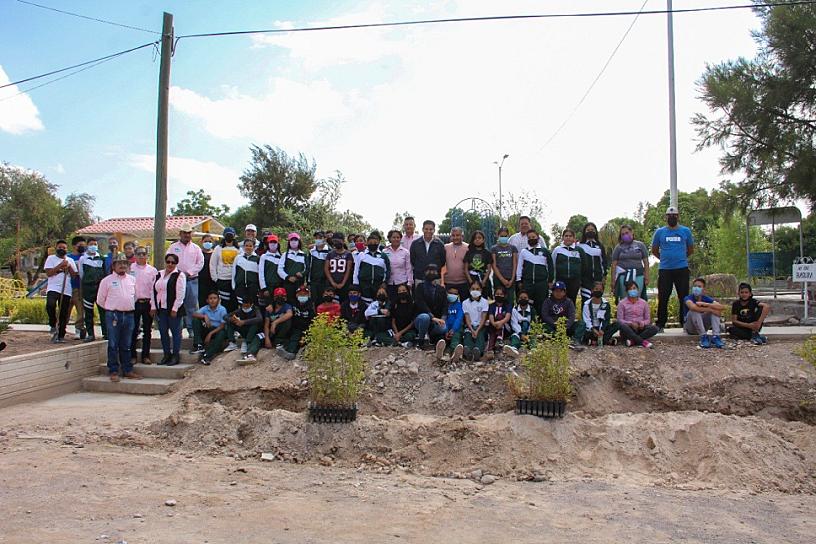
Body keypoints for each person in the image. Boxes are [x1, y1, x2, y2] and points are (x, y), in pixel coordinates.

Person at [96, 253, 139, 381]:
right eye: (119, 263)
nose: (122, 266)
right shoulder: (106, 281)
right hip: (113, 315)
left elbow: (135, 297)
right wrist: (112, 308)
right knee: (113, 344)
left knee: (126, 344)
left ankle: (127, 370)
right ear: (113, 266)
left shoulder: (132, 280)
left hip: (129, 315)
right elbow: (100, 300)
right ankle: (113, 371)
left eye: (125, 263)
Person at [652, 206, 694, 330]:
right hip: (665, 269)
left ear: (678, 216)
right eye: (669, 216)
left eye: (674, 215)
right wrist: (665, 258)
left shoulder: (685, 231)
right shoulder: (660, 232)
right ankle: (660, 324)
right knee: (663, 297)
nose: (672, 217)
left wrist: (680, 257)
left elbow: (690, 249)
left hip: (681, 268)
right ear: (666, 217)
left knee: (683, 297)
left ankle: (684, 322)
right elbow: (654, 250)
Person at [167, 225, 205, 340]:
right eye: (184, 232)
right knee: (175, 304)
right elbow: (168, 260)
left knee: (191, 306)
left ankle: (191, 330)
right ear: (180, 233)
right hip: (176, 280)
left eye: (189, 233)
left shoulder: (196, 248)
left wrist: (188, 272)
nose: (186, 235)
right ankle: (176, 330)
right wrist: (177, 273)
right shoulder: (173, 247)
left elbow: (200, 263)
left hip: (191, 280)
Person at [151, 252, 187, 366]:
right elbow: (153, 291)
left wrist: (175, 308)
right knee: (163, 332)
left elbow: (180, 294)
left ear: (176, 264)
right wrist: (153, 306)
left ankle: (175, 355)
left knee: (176, 333)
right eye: (168, 262)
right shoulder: (159, 274)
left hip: (173, 309)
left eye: (173, 262)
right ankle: (166, 354)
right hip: (161, 308)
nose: (170, 264)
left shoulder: (179, 275)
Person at [45, 240, 78, 343]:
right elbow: (49, 273)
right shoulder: (51, 259)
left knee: (63, 312)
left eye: (64, 248)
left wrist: (69, 266)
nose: (62, 249)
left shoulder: (70, 260)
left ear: (66, 249)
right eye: (60, 247)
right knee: (50, 304)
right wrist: (60, 265)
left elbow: (74, 276)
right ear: (56, 248)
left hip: (66, 289)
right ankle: (53, 323)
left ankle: (61, 335)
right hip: (53, 287)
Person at [130, 246, 157, 364]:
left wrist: (153, 306)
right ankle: (133, 356)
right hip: (134, 303)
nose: (141, 256)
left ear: (147, 256)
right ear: (135, 255)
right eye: (139, 254)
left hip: (147, 303)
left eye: (143, 254)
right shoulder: (130, 269)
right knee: (133, 330)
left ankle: (146, 355)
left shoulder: (152, 270)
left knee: (147, 331)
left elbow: (154, 289)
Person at [610, 224, 650, 302]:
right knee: (624, 299)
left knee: (637, 298)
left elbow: (646, 262)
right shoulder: (618, 247)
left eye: (627, 233)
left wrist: (647, 277)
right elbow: (614, 265)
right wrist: (613, 280)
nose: (625, 235)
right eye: (623, 234)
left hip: (638, 275)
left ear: (632, 232)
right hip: (623, 276)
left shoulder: (640, 245)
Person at [516, 229, 554, 311]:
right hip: (528, 283)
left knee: (542, 304)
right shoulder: (524, 252)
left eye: (533, 237)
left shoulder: (545, 251)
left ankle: (541, 322)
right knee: (529, 303)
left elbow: (550, 266)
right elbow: (519, 267)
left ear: (538, 237)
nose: (531, 239)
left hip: (542, 284)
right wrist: (519, 280)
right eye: (529, 237)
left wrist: (550, 280)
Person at [540, 281, 584, 350]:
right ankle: (560, 340)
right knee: (543, 326)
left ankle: (575, 341)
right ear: (552, 292)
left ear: (564, 292)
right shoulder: (547, 301)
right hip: (553, 326)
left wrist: (566, 326)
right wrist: (555, 324)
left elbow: (572, 316)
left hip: (566, 326)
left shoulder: (569, 302)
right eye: (556, 291)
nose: (558, 293)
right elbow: (545, 315)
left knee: (581, 324)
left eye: (560, 291)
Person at [683, 277, 725, 349]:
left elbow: (721, 307)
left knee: (715, 310)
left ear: (704, 289)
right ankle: (703, 337)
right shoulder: (688, 298)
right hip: (690, 328)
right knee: (694, 310)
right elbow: (692, 307)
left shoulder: (706, 298)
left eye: (699, 287)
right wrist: (710, 309)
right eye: (695, 286)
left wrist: (707, 305)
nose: (696, 288)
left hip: (703, 326)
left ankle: (716, 336)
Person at [413, 264, 448, 349]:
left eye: (433, 270)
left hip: (436, 321)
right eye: (429, 270)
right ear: (425, 272)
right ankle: (421, 341)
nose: (431, 272)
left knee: (443, 328)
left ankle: (432, 338)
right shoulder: (420, 287)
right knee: (425, 317)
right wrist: (432, 317)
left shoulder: (441, 289)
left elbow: (445, 305)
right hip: (422, 319)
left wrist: (443, 319)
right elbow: (421, 303)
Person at [78, 238, 106, 341]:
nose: (93, 246)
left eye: (95, 244)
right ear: (87, 246)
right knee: (88, 312)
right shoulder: (83, 259)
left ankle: (105, 333)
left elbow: (105, 273)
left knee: (103, 311)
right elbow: (81, 274)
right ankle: (90, 334)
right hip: (88, 288)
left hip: (100, 288)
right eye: (91, 244)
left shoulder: (102, 258)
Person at [617, 280, 658, 348]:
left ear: (638, 289)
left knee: (655, 328)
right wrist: (630, 323)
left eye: (634, 288)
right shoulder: (622, 303)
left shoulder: (644, 303)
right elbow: (620, 320)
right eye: (630, 289)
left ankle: (633, 341)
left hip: (640, 328)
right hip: (628, 329)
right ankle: (642, 342)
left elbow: (648, 319)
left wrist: (642, 323)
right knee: (623, 326)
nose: (632, 290)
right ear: (627, 291)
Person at [552, 228, 588, 304]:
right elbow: (552, 265)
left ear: (574, 238)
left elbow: (584, 266)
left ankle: (571, 315)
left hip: (574, 281)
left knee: (571, 301)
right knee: (560, 301)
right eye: (566, 236)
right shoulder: (557, 250)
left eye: (570, 236)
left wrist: (580, 279)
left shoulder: (579, 250)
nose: (568, 237)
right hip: (561, 280)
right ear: (563, 238)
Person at [191, 291, 228, 364]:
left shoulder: (222, 309)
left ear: (218, 300)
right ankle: (199, 345)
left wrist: (210, 334)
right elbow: (194, 314)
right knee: (195, 320)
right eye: (210, 298)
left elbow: (222, 325)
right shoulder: (205, 308)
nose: (213, 300)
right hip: (208, 328)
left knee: (222, 333)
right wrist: (204, 316)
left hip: (217, 330)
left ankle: (207, 356)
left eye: (215, 298)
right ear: (207, 300)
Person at [353, 231, 391, 303]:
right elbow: (356, 271)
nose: (373, 244)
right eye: (370, 243)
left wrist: (384, 283)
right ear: (367, 243)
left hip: (378, 286)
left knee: (377, 306)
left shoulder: (383, 256)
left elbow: (388, 270)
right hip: (364, 286)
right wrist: (356, 285)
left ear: (378, 243)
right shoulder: (361, 255)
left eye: (375, 242)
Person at [210, 227, 240, 312]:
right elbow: (212, 264)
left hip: (234, 281)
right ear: (224, 236)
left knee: (234, 303)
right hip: (222, 280)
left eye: (231, 235)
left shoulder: (239, 249)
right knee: (224, 304)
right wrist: (215, 278)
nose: (229, 237)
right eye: (227, 235)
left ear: (234, 236)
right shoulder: (218, 248)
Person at [224, 297, 263, 363]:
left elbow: (259, 319)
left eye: (247, 306)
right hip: (243, 330)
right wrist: (232, 320)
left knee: (255, 324)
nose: (245, 308)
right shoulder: (240, 310)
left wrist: (244, 322)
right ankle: (232, 343)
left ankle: (247, 342)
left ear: (251, 304)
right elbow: (225, 316)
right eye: (243, 306)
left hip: (253, 331)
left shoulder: (255, 309)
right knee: (229, 323)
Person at [580, 281, 619, 346]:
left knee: (617, 324)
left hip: (602, 328)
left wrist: (602, 330)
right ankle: (606, 340)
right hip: (591, 329)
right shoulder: (586, 304)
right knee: (583, 329)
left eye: (600, 290)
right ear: (592, 290)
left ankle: (594, 341)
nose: (598, 291)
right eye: (596, 289)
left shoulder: (606, 304)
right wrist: (593, 329)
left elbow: (606, 319)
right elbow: (586, 319)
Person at [409, 220, 446, 288]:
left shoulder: (440, 244)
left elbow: (443, 261)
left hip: (435, 279)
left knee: (435, 298)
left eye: (431, 229)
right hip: (420, 278)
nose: (428, 231)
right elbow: (413, 260)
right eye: (426, 229)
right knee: (420, 298)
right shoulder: (415, 244)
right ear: (423, 229)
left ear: (434, 230)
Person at [283, 285, 315, 360]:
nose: (303, 296)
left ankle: (309, 354)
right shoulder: (292, 302)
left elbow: (313, 318)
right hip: (296, 328)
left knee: (308, 340)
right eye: (300, 294)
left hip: (308, 328)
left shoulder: (311, 304)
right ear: (296, 295)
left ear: (308, 295)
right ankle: (290, 353)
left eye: (305, 294)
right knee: (294, 338)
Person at [578, 223, 607, 302]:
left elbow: (604, 261)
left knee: (597, 300)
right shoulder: (580, 245)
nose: (590, 231)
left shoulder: (600, 245)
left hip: (598, 278)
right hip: (585, 279)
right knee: (586, 301)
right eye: (588, 230)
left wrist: (604, 276)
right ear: (584, 232)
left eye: (592, 230)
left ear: (595, 231)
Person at [461, 279, 489, 361]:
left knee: (480, 335)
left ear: (481, 290)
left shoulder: (484, 302)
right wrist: (472, 329)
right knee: (467, 335)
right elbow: (467, 317)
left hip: (481, 326)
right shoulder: (465, 303)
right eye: (473, 289)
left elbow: (483, 318)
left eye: (477, 289)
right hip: (469, 326)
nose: (475, 291)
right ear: (469, 290)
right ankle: (468, 351)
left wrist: (477, 330)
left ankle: (478, 351)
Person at [491, 226, 518, 307]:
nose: (503, 238)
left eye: (505, 236)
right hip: (498, 280)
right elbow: (494, 265)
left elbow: (515, 264)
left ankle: (509, 318)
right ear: (498, 236)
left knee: (510, 301)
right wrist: (502, 280)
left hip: (510, 279)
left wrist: (512, 279)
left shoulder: (513, 248)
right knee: (499, 301)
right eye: (501, 236)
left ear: (508, 235)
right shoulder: (494, 248)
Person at [436, 286, 464, 363]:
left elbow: (459, 318)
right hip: (446, 329)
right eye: (451, 293)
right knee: (442, 340)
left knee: (455, 338)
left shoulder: (459, 305)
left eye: (455, 294)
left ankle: (454, 355)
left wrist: (453, 329)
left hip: (456, 329)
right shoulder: (444, 305)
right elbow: (444, 319)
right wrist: (446, 330)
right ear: (447, 293)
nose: (452, 295)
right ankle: (440, 353)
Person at [441, 227, 470, 302]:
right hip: (448, 282)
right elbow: (442, 265)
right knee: (449, 305)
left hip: (464, 282)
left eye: (457, 235)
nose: (455, 237)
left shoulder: (468, 248)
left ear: (462, 236)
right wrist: (442, 281)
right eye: (453, 235)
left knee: (465, 304)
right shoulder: (445, 247)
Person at [383, 230, 413, 303]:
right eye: (393, 237)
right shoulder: (384, 252)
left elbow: (409, 268)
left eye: (398, 237)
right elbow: (383, 267)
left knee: (403, 304)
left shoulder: (405, 252)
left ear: (400, 239)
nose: (396, 239)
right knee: (390, 304)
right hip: (389, 282)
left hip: (402, 283)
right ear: (389, 239)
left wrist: (409, 282)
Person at [464, 230, 494, 299]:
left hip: (483, 278)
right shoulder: (469, 252)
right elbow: (465, 269)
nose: (477, 239)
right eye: (475, 238)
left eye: (479, 238)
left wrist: (483, 282)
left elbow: (489, 269)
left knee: (483, 299)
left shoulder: (487, 253)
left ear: (483, 240)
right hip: (471, 278)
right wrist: (471, 282)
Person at [325, 233, 354, 302]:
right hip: (331, 283)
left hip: (345, 284)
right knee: (331, 303)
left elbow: (348, 269)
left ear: (343, 241)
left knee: (344, 303)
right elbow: (326, 269)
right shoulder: (330, 254)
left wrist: (343, 283)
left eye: (338, 241)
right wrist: (332, 282)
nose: (336, 243)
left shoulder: (348, 254)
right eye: (334, 241)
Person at [485, 285, 512, 360]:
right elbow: (490, 316)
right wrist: (494, 323)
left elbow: (507, 317)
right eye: (497, 294)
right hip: (493, 326)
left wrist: (500, 322)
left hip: (505, 326)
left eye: (501, 294)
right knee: (492, 330)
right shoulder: (491, 306)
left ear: (505, 295)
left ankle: (499, 339)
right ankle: (490, 350)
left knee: (500, 316)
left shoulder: (507, 305)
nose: (499, 296)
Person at [278, 233, 307, 303]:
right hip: (288, 284)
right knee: (289, 302)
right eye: (291, 240)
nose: (293, 241)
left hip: (300, 283)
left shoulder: (304, 255)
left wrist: (302, 273)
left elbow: (307, 269)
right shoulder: (285, 254)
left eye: (295, 240)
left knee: (301, 302)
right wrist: (288, 277)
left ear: (299, 241)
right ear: (289, 242)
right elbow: (280, 269)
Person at [68, 236, 87, 340]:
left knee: (81, 310)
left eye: (84, 246)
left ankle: (79, 329)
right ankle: (59, 329)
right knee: (65, 310)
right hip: (68, 287)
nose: (82, 248)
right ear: (74, 246)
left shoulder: (85, 257)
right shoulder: (68, 258)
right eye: (80, 246)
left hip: (79, 288)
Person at [233, 239, 260, 306]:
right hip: (240, 287)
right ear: (243, 247)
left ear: (254, 247)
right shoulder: (238, 257)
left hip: (253, 287)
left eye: (250, 246)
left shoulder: (257, 258)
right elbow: (234, 272)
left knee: (252, 306)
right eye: (246, 245)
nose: (248, 247)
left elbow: (260, 274)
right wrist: (234, 285)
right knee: (241, 306)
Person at [305, 231, 330, 307]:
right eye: (316, 238)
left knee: (324, 301)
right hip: (313, 281)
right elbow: (308, 266)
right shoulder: (312, 251)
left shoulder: (329, 251)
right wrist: (308, 281)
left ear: (324, 239)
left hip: (324, 281)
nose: (318, 239)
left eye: (320, 238)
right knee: (313, 301)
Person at [391, 283, 419, 348]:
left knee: (410, 335)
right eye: (400, 291)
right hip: (396, 330)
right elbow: (393, 322)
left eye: (403, 290)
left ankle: (396, 342)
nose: (402, 292)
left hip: (408, 330)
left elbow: (412, 322)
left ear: (407, 291)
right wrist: (397, 333)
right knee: (380, 335)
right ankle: (402, 343)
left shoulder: (413, 304)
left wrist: (400, 333)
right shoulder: (395, 305)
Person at [259, 234, 282, 307]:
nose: (273, 244)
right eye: (271, 242)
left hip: (278, 287)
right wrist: (264, 288)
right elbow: (261, 273)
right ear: (268, 244)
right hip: (268, 287)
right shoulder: (264, 257)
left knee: (278, 306)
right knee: (268, 308)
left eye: (275, 242)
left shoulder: (281, 257)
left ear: (278, 244)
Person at [198, 234, 216, 309]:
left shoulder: (215, 253)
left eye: (209, 241)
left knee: (213, 302)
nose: (207, 243)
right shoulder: (198, 253)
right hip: (201, 282)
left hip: (212, 282)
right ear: (201, 242)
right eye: (205, 241)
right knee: (202, 302)